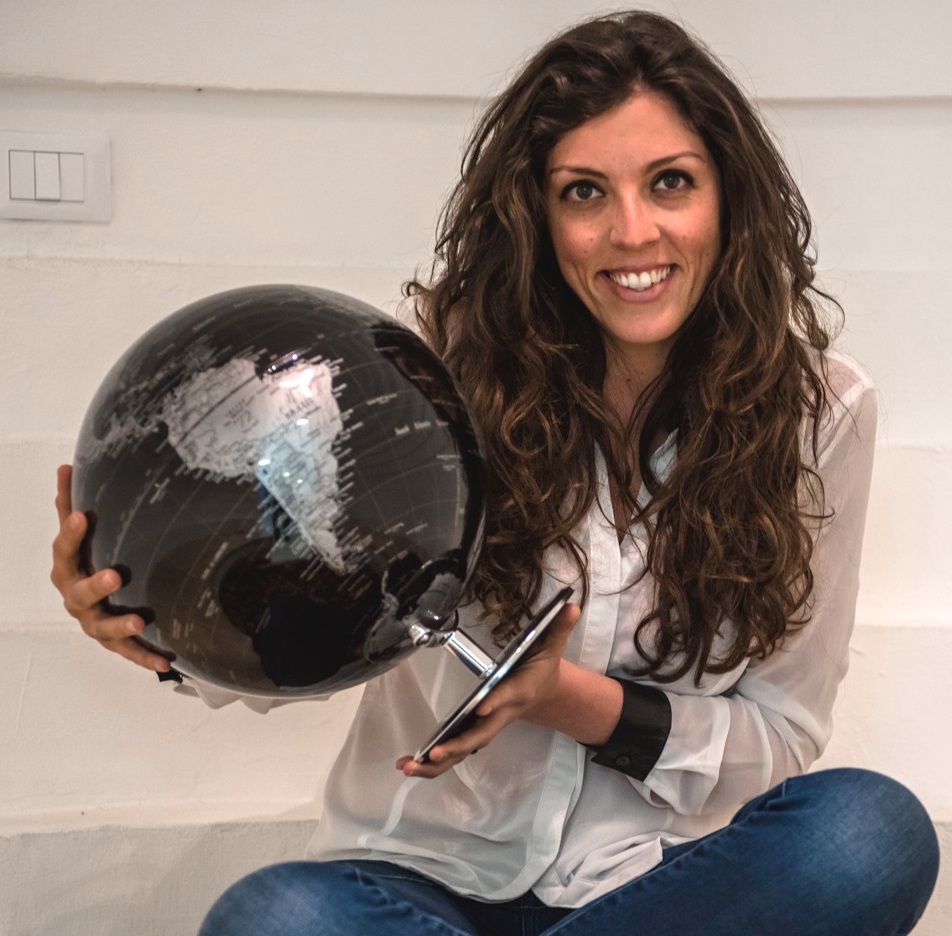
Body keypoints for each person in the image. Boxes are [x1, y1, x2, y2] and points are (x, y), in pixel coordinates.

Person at [51, 10, 939, 936]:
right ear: (536, 217)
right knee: (276, 918)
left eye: (670, 182)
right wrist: (148, 619)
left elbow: (782, 735)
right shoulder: (423, 380)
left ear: (729, 198)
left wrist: (571, 703)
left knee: (867, 833)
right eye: (584, 192)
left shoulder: (820, 414)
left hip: (656, 890)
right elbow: (303, 610)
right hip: (419, 878)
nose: (633, 231)